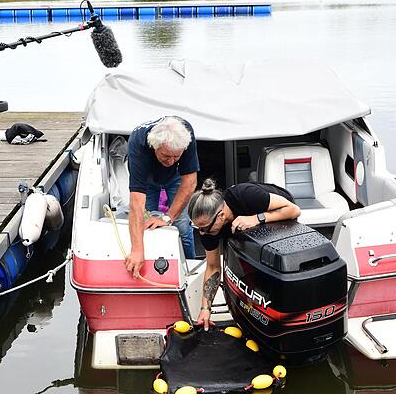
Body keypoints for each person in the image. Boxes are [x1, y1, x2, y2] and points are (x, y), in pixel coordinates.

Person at [188, 179, 301, 330]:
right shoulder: (207, 226)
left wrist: (256, 218)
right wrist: (205, 309)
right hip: (250, 225)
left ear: (221, 216)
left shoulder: (245, 195)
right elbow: (213, 266)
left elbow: (294, 209)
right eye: (198, 228)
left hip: (278, 212)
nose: (202, 233)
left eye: (205, 228)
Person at [126, 116, 199, 278]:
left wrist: (168, 218)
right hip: (147, 178)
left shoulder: (186, 135)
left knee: (182, 226)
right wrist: (136, 249)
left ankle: (189, 265)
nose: (171, 161)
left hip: (175, 178)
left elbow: (190, 182)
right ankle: (149, 263)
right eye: (166, 156)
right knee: (148, 224)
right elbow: (136, 203)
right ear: (155, 147)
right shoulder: (138, 143)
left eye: (176, 156)